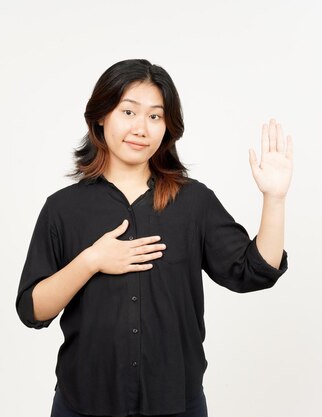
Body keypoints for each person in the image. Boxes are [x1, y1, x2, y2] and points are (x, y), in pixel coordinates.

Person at [15, 58, 293, 417]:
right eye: (128, 112)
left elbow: (254, 272)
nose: (141, 128)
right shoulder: (62, 208)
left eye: (155, 116)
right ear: (101, 116)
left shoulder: (194, 202)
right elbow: (33, 310)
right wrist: (91, 261)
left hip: (175, 403)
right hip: (83, 403)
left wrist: (275, 198)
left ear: (167, 127)